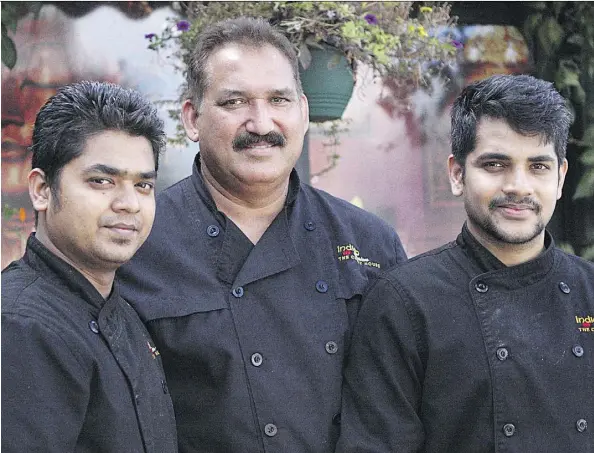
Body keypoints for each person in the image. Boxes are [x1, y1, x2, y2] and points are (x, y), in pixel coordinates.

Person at [117, 17, 407, 453]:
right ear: (192, 118)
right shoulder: (137, 241)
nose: (260, 122)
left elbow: (394, 409)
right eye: (235, 102)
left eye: (279, 100)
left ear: (304, 112)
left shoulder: (369, 242)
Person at [335, 73, 594, 453]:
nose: (518, 186)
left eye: (538, 166)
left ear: (559, 178)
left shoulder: (590, 290)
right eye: (495, 165)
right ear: (457, 174)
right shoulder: (405, 302)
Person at [1, 81, 178, 452]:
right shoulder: (21, 326)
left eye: (143, 186)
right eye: (102, 181)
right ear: (42, 190)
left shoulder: (120, 309)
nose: (128, 203)